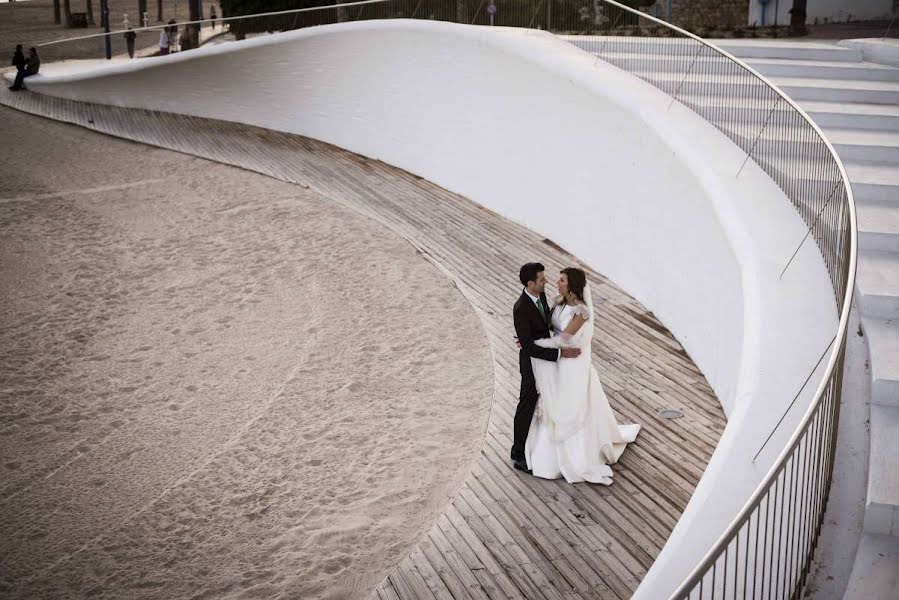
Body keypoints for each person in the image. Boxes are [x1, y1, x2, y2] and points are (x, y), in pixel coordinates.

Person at [524, 267, 640, 484]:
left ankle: (578, 455)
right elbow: (550, 326)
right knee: (557, 401)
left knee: (572, 403)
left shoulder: (581, 311)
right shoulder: (560, 302)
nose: (556, 283)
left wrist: (534, 345)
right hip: (559, 359)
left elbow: (565, 339)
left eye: (561, 280)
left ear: (571, 285)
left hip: (572, 362)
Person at [511, 263, 581, 474]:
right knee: (527, 402)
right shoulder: (521, 308)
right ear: (530, 283)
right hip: (532, 361)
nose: (546, 281)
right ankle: (518, 453)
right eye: (542, 279)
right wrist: (560, 353)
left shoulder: (540, 296)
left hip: (545, 355)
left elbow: (544, 324)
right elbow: (530, 347)